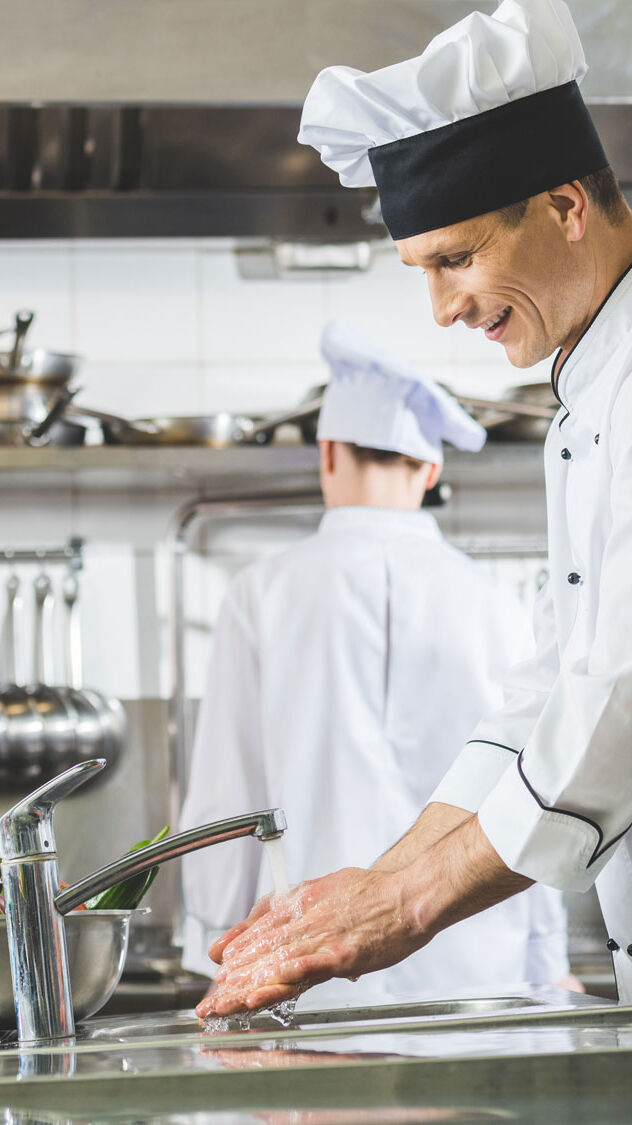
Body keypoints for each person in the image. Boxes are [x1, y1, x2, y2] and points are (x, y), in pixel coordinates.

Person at [199, 0, 632, 1020]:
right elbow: (545, 690)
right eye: (420, 272)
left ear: (563, 205)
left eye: (454, 258)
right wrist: (368, 884)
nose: (440, 309)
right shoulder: (588, 381)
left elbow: (622, 695)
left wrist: (403, 907)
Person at [180, 321, 572, 1006]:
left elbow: (224, 802)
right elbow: (529, 786)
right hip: (481, 976)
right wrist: (546, 957)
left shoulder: (260, 595)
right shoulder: (498, 603)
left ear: (327, 452)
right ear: (430, 469)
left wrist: (224, 945)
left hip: (307, 972)